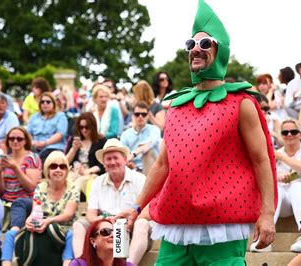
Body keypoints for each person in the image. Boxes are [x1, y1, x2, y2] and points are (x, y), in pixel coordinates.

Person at [115, 1, 277, 264]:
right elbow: (162, 164)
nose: (195, 50)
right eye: (191, 44)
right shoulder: (176, 105)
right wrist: (136, 207)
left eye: (204, 44)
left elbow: (262, 160)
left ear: (220, 50)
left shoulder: (242, 102)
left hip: (222, 222)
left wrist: (267, 213)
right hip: (177, 219)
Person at [72, 139, 149, 265]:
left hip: (131, 225)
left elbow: (147, 210)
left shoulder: (140, 179)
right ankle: (82, 262)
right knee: (79, 224)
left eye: (116, 158)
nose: (112, 162)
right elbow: (90, 214)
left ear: (125, 159)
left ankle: (128, 264)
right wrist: (102, 220)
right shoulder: (97, 182)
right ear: (103, 163)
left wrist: (129, 220)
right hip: (106, 226)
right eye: (108, 159)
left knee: (142, 224)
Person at [252, 118, 301, 253]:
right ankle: (264, 238)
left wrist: (281, 157)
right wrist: (277, 177)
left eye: (294, 132)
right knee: (276, 189)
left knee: (296, 186)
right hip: (284, 200)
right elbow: (264, 177)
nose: (289, 135)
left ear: (300, 134)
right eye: (285, 132)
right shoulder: (276, 154)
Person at [1, 151, 79, 266]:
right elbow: (35, 211)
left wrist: (48, 221)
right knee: (10, 234)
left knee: (72, 234)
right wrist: (29, 221)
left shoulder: (73, 187)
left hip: (65, 228)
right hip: (42, 225)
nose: (58, 170)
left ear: (67, 171)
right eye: (53, 166)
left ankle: (66, 263)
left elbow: (68, 215)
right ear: (47, 170)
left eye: (62, 167)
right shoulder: (41, 187)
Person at [0, 127, 41, 204]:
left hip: (25, 201)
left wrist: (15, 168)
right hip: (6, 201)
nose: (15, 141)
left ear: (25, 141)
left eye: (19, 139)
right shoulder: (5, 159)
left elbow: (30, 187)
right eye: (12, 139)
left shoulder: (32, 158)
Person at [65, 112, 106, 196]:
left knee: (77, 184)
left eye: (87, 127)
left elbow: (103, 163)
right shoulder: (75, 140)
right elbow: (65, 162)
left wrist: (87, 171)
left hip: (91, 173)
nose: (84, 130)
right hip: (74, 172)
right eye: (81, 127)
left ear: (93, 127)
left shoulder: (101, 141)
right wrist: (74, 149)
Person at [120, 101, 161, 175]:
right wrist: (129, 162)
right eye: (137, 114)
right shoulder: (125, 134)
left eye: (144, 114)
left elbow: (147, 145)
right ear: (133, 115)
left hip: (152, 169)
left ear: (148, 116)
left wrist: (133, 154)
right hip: (133, 170)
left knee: (147, 151)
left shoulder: (154, 130)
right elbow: (123, 155)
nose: (140, 116)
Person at [27, 92, 68, 163]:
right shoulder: (34, 117)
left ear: (53, 104)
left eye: (48, 102)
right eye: (42, 102)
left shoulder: (60, 116)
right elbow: (28, 133)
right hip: (34, 146)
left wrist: (45, 143)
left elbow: (60, 134)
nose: (45, 104)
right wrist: (32, 142)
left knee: (44, 158)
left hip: (53, 147)